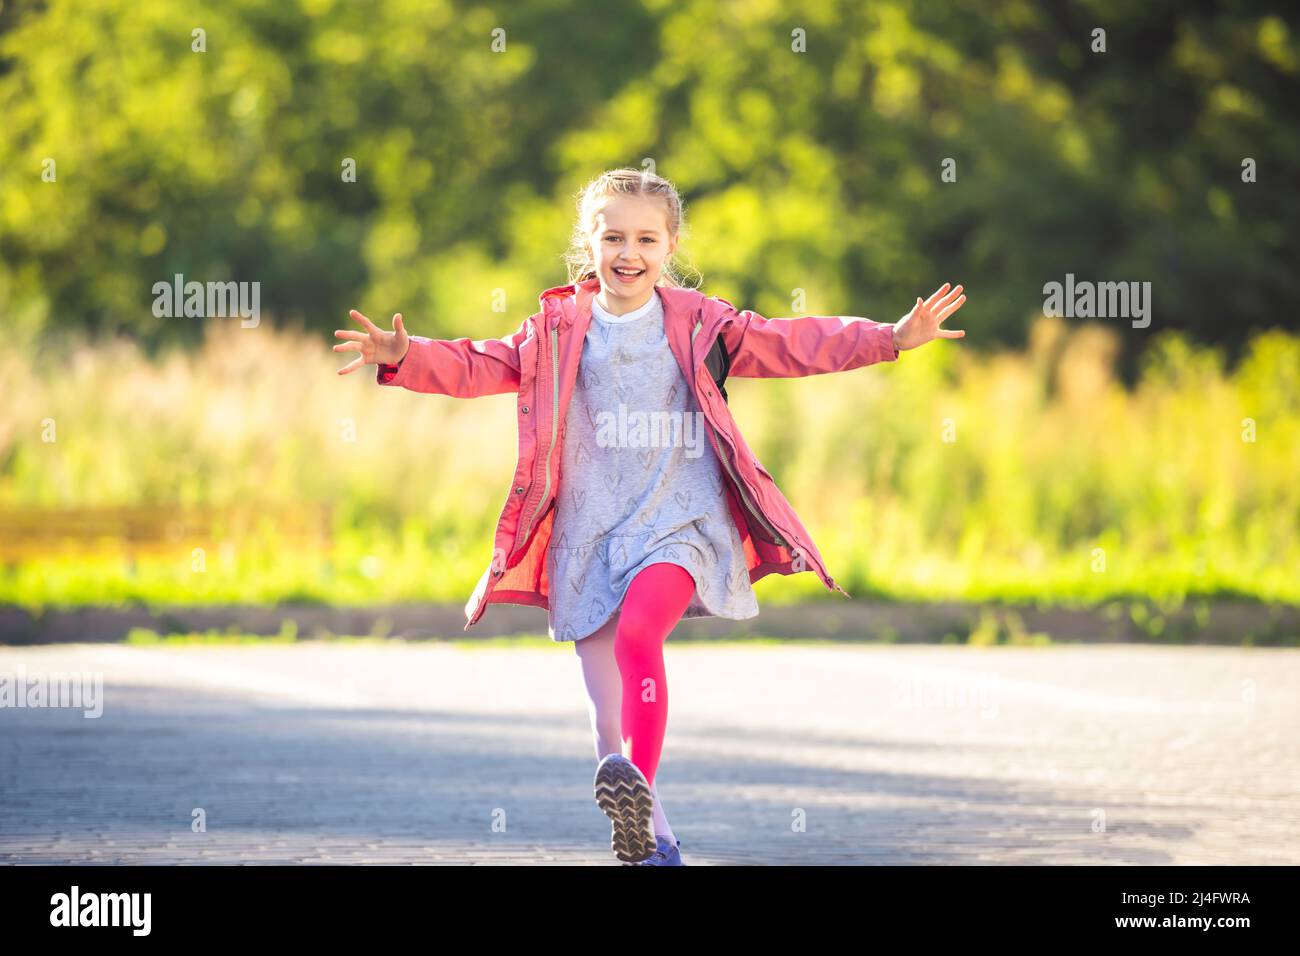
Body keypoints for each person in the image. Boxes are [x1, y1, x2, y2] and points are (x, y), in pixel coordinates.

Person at [334, 167, 967, 864]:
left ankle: (640, 789)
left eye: (644, 238)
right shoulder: (556, 328)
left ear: (670, 248)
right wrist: (405, 357)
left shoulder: (701, 323)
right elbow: (481, 364)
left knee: (640, 632)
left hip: (679, 522)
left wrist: (890, 337)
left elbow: (793, 343)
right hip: (588, 530)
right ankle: (653, 842)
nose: (627, 252)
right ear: (589, 244)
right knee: (609, 725)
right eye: (612, 237)